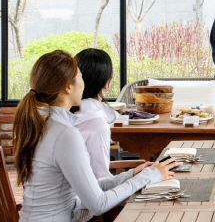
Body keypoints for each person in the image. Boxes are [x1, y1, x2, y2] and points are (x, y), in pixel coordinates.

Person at [14, 50, 181, 222]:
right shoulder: (65, 134)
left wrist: (132, 175)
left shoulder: (42, 123)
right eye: (80, 77)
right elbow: (98, 204)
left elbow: (88, 187)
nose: (83, 83)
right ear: (68, 87)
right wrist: (148, 177)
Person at [72, 48, 117, 180]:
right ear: (106, 82)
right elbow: (100, 178)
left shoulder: (59, 114)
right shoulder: (94, 122)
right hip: (82, 197)